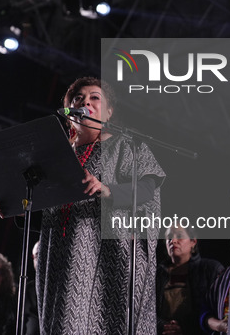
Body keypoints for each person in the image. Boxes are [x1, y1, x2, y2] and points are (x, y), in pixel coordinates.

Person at [31, 76, 165, 334]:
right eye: (78, 99)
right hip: (60, 255)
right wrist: (14, 203)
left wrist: (108, 189)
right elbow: (47, 212)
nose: (86, 102)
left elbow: (148, 189)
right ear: (69, 112)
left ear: (110, 112)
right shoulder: (56, 157)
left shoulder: (127, 146)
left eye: (95, 98)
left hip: (107, 259)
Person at [156, 226, 224, 335]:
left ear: (193, 241)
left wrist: (185, 327)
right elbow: (146, 310)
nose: (173, 241)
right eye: (169, 238)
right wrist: (164, 327)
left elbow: (217, 309)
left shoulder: (210, 269)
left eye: (179, 236)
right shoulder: (157, 274)